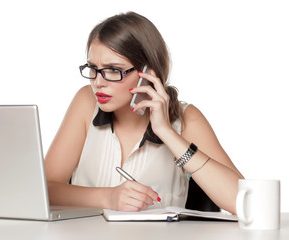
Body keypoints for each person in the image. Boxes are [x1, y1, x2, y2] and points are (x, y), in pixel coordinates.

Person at [45, 11, 243, 214]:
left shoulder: (187, 119)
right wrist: (108, 197)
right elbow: (44, 190)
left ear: (148, 73)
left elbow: (245, 203)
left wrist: (166, 131)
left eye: (113, 70)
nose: (98, 82)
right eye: (93, 68)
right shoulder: (86, 101)